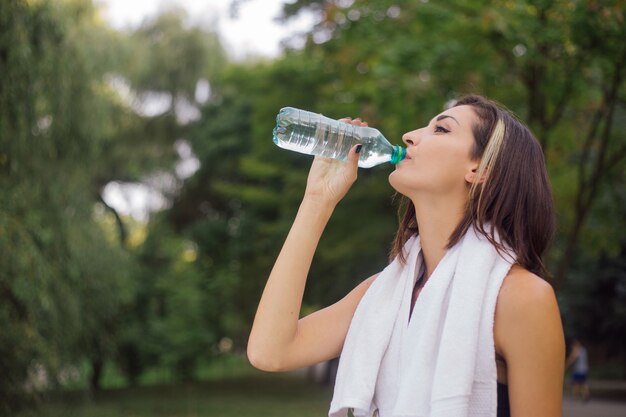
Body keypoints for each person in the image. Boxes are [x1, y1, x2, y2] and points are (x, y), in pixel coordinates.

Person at [247, 95, 565, 416]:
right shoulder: (383, 294)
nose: (409, 136)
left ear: (480, 168)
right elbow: (270, 351)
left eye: (440, 129)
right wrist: (317, 199)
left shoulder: (523, 299)